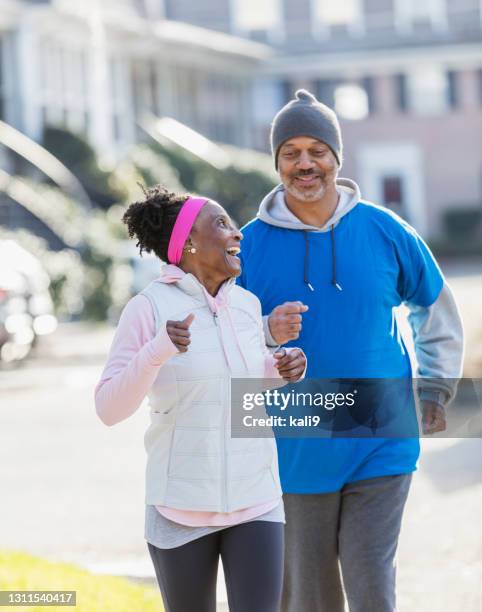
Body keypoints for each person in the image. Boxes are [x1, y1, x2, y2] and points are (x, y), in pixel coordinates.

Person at [237, 90, 464, 612]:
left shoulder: (385, 231)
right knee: (309, 596)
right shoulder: (247, 247)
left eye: (316, 149)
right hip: (293, 443)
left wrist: (434, 385)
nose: (304, 163)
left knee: (370, 583)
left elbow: (435, 309)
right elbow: (222, 339)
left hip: (381, 434)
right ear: (276, 163)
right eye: (289, 152)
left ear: (337, 158)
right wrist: (269, 333)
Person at [94, 186, 307, 612]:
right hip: (181, 507)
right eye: (223, 224)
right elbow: (108, 408)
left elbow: (239, 389)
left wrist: (279, 370)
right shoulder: (148, 308)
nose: (238, 234)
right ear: (188, 241)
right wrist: (157, 349)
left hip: (256, 499)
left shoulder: (247, 306)